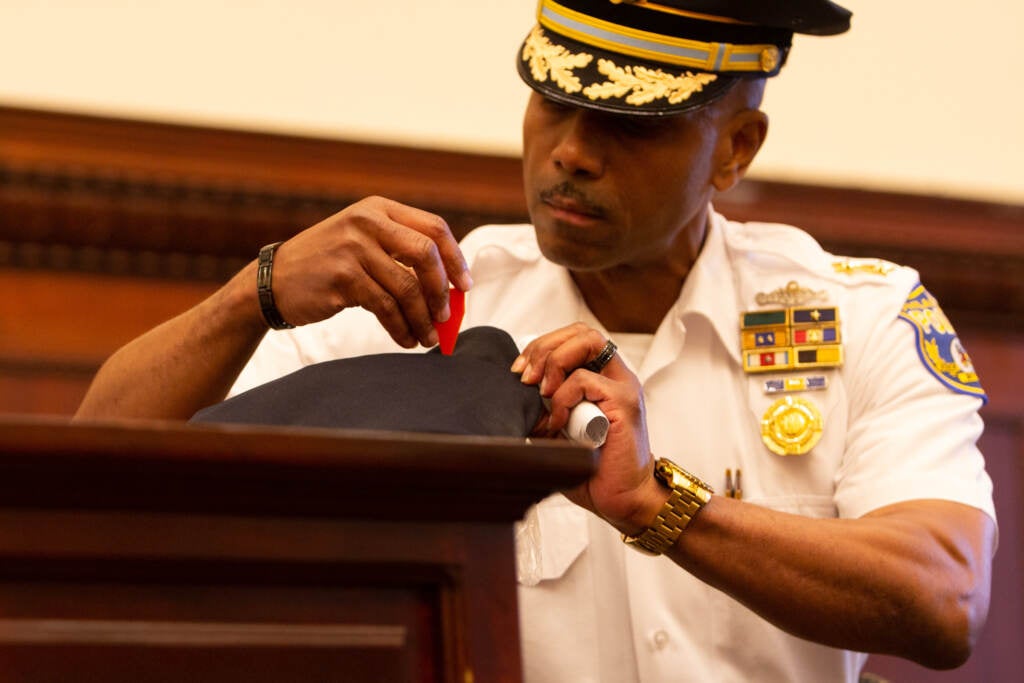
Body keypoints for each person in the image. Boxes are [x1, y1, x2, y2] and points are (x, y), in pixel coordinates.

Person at [75, 1, 997, 681]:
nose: (571, 152)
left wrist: (655, 505)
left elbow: (943, 599)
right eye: (553, 102)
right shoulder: (419, 307)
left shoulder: (857, 316)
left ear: (736, 146)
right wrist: (254, 294)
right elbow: (94, 490)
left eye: (629, 121)